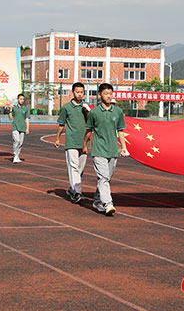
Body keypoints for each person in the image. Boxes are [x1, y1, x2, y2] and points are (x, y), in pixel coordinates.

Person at [83, 83, 129, 216]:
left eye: (110, 93)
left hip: (113, 150)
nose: (108, 96)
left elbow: (121, 130)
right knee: (103, 178)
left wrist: (124, 147)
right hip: (98, 150)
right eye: (105, 94)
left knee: (106, 178)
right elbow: (89, 130)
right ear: (99, 95)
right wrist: (85, 145)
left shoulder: (118, 111)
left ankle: (97, 200)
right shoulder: (94, 113)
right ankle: (108, 204)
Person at [55, 82, 89, 203]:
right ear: (73, 92)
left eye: (81, 92)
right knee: (73, 167)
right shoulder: (66, 107)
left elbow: (92, 124)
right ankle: (77, 192)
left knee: (80, 168)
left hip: (84, 142)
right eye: (77, 92)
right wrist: (58, 138)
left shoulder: (86, 108)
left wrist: (88, 113)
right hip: (71, 141)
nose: (80, 94)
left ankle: (72, 189)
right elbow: (61, 124)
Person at [8, 94, 30, 163]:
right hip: (15, 127)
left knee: (20, 143)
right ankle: (15, 156)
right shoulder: (14, 107)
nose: (22, 100)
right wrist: (10, 111)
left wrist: (27, 128)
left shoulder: (26, 109)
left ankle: (17, 156)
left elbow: (27, 119)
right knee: (16, 141)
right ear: (17, 99)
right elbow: (10, 118)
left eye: (23, 99)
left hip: (22, 127)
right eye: (20, 99)